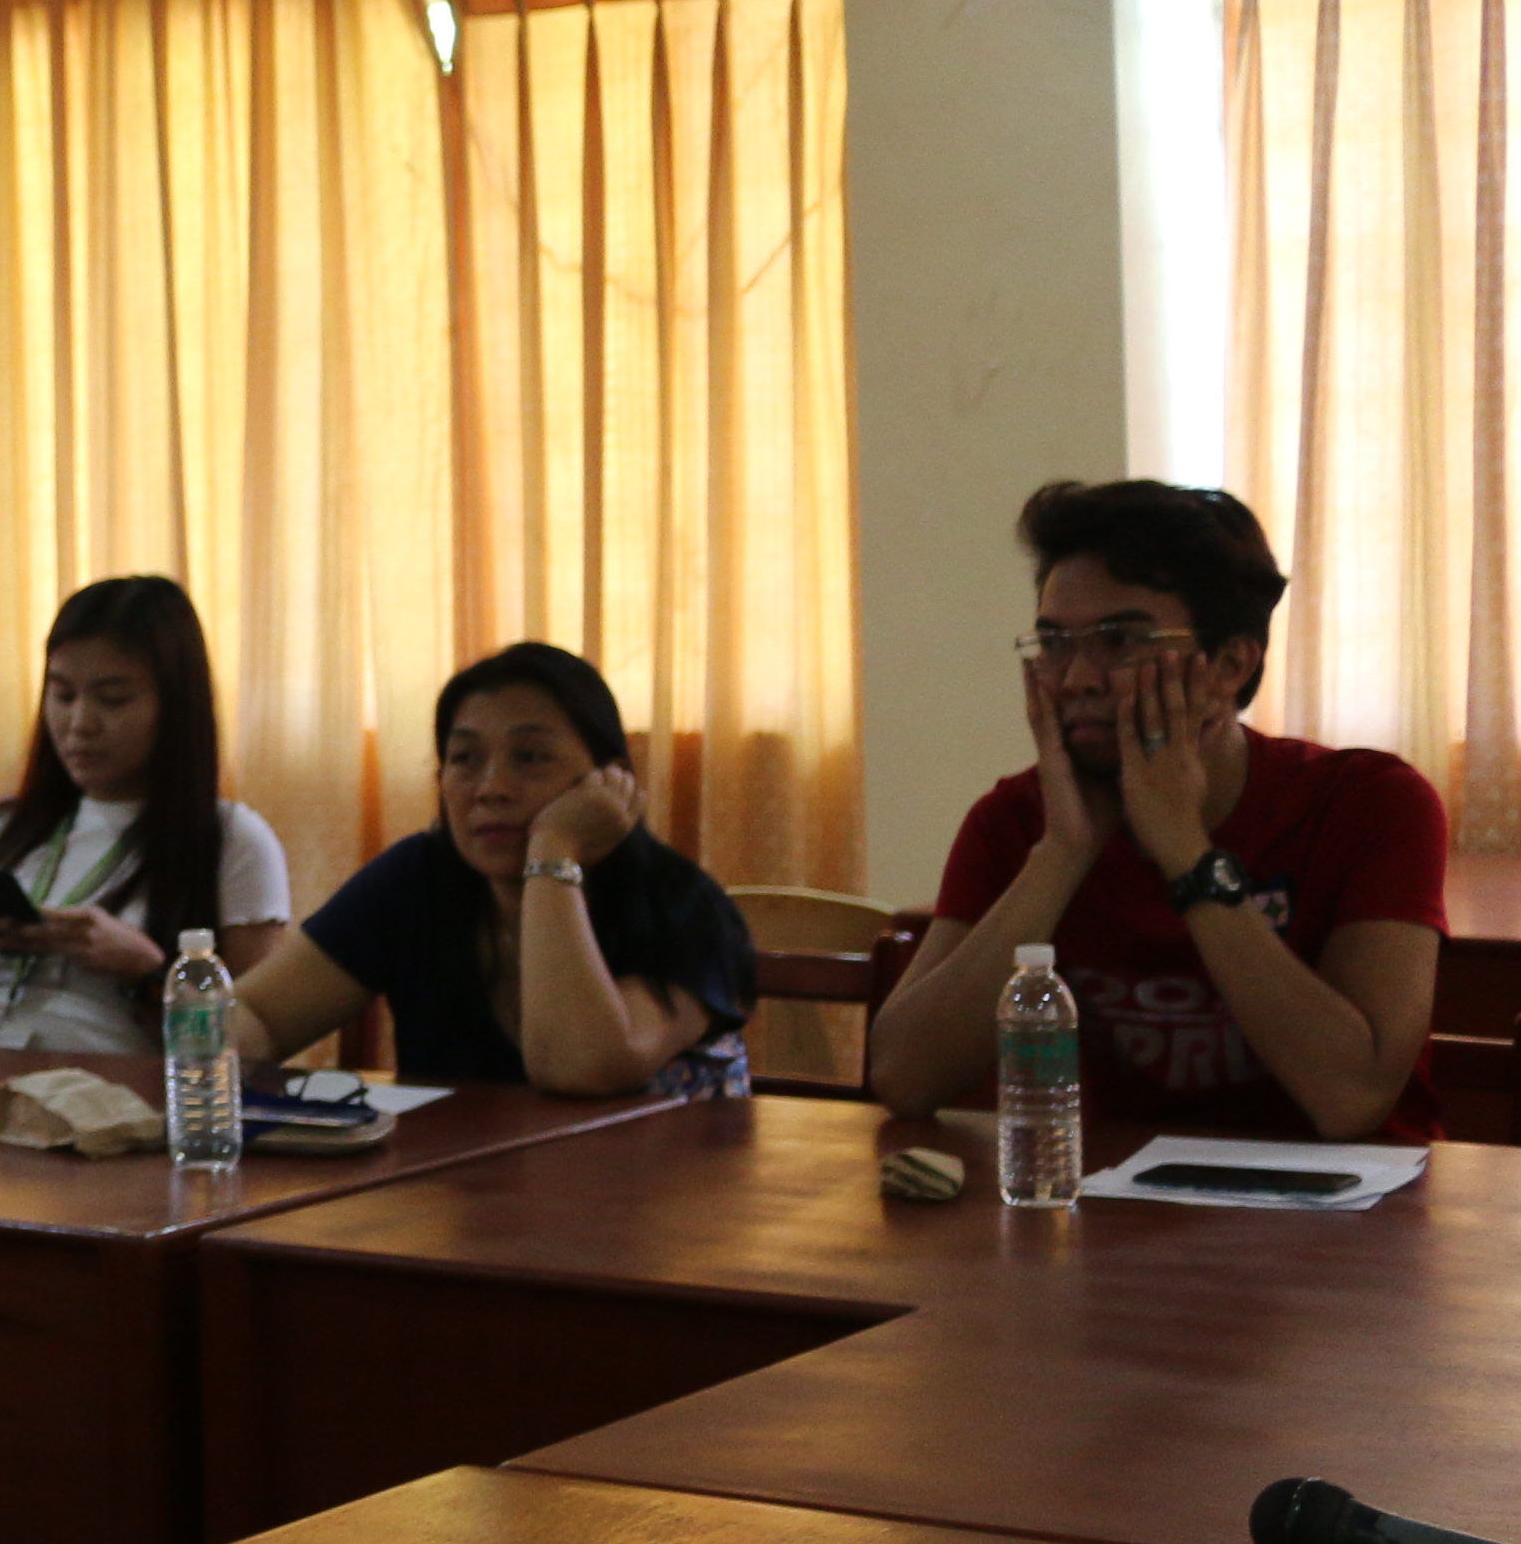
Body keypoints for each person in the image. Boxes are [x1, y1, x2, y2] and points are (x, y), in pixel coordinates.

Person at [873, 479, 1444, 1145]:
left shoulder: (1368, 803)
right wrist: (1062, 856)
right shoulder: (1020, 823)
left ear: (1230, 663)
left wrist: (1184, 847)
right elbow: (904, 1078)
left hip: (1349, 1219)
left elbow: (1350, 1099)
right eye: (1053, 643)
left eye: (1120, 642)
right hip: (1122, 1216)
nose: (1077, 679)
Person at [233, 641, 754, 1099]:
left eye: (530, 757)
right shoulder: (415, 879)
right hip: (462, 1201)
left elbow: (580, 1068)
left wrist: (552, 852)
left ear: (610, 779)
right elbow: (252, 1016)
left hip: (659, 1202)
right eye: (464, 759)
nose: (491, 787)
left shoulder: (684, 906)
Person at [0, 574, 295, 1053]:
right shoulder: (3, 829)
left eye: (113, 699)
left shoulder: (233, 842)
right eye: (63, 695)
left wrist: (149, 972)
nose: (79, 724)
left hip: (111, 1102)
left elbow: (242, 1054)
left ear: (174, 706)